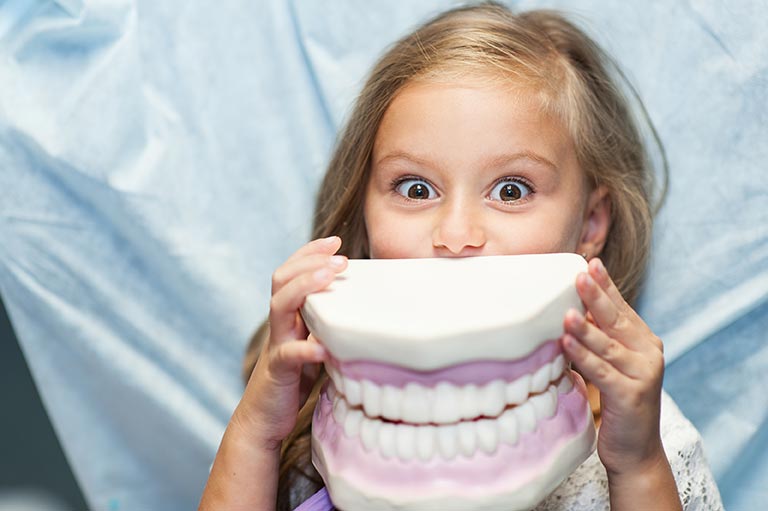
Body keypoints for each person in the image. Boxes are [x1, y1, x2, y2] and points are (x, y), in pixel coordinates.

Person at [199, 3, 722, 510]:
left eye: (512, 191)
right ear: (364, 216)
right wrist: (256, 435)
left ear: (590, 224)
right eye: (416, 188)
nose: (455, 235)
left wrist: (636, 467)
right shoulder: (307, 422)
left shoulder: (645, 439)